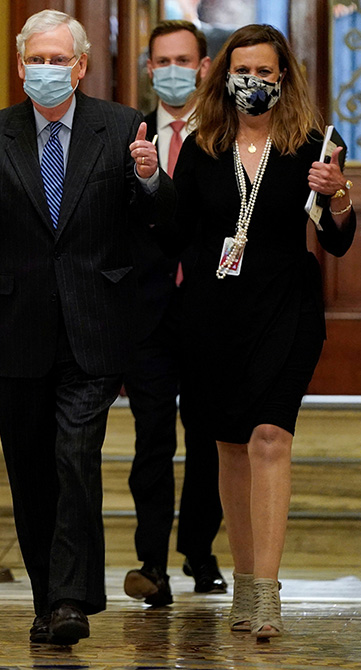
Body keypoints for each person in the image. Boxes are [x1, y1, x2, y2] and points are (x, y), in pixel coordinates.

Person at [0, 9, 175, 646]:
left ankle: (68, 600)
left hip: (95, 328)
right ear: (19, 65)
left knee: (73, 457)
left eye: (57, 59)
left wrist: (149, 178)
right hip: (18, 330)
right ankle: (51, 598)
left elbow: (163, 220)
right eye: (35, 59)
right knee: (33, 470)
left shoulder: (121, 127)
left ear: (81, 66)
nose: (46, 70)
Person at [158, 24, 355, 639]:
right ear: (223, 77)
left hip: (287, 309)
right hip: (212, 316)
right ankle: (243, 581)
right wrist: (147, 182)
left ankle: (267, 592)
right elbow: (171, 235)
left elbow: (338, 239)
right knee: (231, 446)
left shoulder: (314, 145)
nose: (254, 82)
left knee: (270, 435)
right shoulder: (202, 146)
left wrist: (340, 194)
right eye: (243, 71)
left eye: (266, 72)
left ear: (284, 78)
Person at [122, 19, 225, 609]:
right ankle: (152, 563)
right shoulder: (125, 134)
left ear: (205, 66)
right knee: (151, 441)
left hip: (210, 308)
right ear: (149, 68)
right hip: (146, 313)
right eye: (161, 61)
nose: (172, 71)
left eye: (183, 60)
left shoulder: (224, 136)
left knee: (208, 439)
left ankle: (200, 551)